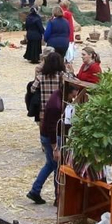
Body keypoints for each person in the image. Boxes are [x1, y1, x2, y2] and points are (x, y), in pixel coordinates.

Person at [27, 52, 65, 205]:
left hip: (44, 112)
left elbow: (32, 89)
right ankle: (56, 196)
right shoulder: (62, 76)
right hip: (58, 115)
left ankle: (35, 190)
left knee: (50, 162)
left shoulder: (42, 77)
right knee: (54, 164)